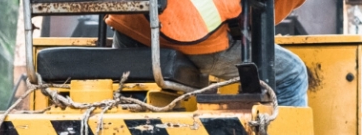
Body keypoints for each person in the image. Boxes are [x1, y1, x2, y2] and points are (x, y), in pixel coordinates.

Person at [107, 0, 310, 107]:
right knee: (291, 73)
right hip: (190, 36)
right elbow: (254, 20)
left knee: (134, 93)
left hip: (129, 24)